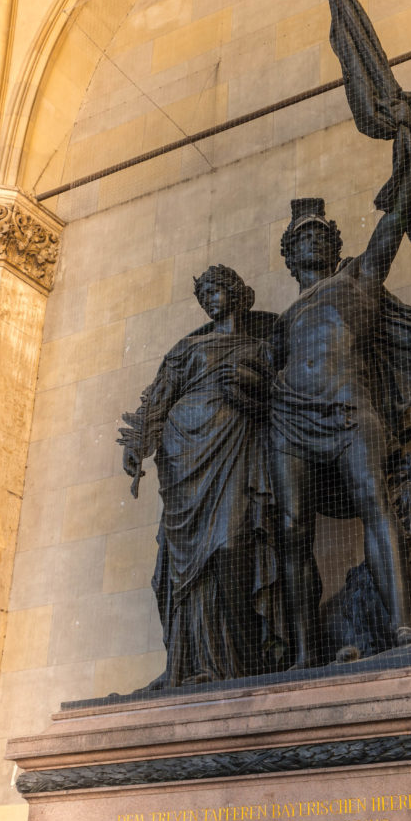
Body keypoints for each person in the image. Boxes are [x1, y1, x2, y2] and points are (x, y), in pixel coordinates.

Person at [270, 194, 411, 667]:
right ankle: (303, 654)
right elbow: (259, 374)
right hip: (289, 418)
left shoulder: (358, 276)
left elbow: (396, 220)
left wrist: (407, 144)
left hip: (349, 407)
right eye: (304, 235)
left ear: (335, 243)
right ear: (289, 254)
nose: (314, 239)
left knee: (374, 501)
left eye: (322, 233)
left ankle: (403, 624)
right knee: (291, 526)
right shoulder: (282, 322)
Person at [119, 265, 283, 685]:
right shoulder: (188, 349)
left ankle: (243, 665)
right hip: (182, 456)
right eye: (203, 294)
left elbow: (278, 401)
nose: (210, 298)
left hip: (233, 450)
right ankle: (193, 664)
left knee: (231, 546)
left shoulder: (262, 346)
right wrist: (137, 448)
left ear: (236, 292)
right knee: (183, 563)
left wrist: (249, 386)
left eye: (217, 290)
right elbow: (156, 399)